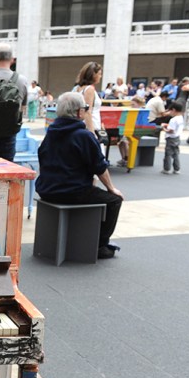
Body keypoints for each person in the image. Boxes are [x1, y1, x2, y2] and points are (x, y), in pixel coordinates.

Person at [36, 92, 124, 260]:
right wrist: (111, 188)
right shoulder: (83, 135)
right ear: (78, 113)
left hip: (46, 189)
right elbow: (100, 166)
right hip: (72, 191)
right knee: (113, 201)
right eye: (84, 109)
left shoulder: (50, 134)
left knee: (91, 192)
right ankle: (99, 245)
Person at [72, 61, 103, 136]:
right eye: (99, 74)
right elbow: (88, 112)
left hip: (79, 126)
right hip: (91, 126)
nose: (100, 76)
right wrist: (92, 134)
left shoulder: (76, 88)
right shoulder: (89, 89)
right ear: (93, 75)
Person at [161, 101, 184, 175]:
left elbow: (171, 130)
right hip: (177, 137)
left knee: (168, 154)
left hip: (171, 138)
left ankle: (166, 168)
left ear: (173, 110)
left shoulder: (173, 120)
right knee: (176, 153)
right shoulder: (181, 118)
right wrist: (167, 125)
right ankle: (177, 169)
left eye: (170, 110)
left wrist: (164, 129)